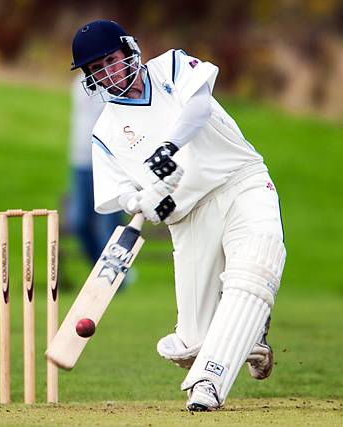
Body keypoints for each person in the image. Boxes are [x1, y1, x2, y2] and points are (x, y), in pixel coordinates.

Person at [70, 20, 286, 411]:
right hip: (188, 219)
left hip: (241, 183)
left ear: (128, 51)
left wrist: (169, 147)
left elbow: (199, 107)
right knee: (189, 343)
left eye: (110, 60)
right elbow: (118, 194)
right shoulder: (106, 130)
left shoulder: (170, 66)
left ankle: (208, 383)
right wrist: (143, 203)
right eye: (95, 69)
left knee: (255, 267)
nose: (107, 72)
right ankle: (249, 335)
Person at [68, 73, 125, 264]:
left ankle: (115, 276)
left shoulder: (116, 80)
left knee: (110, 228)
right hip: (81, 162)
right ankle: (100, 271)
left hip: (111, 163)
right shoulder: (79, 82)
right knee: (79, 222)